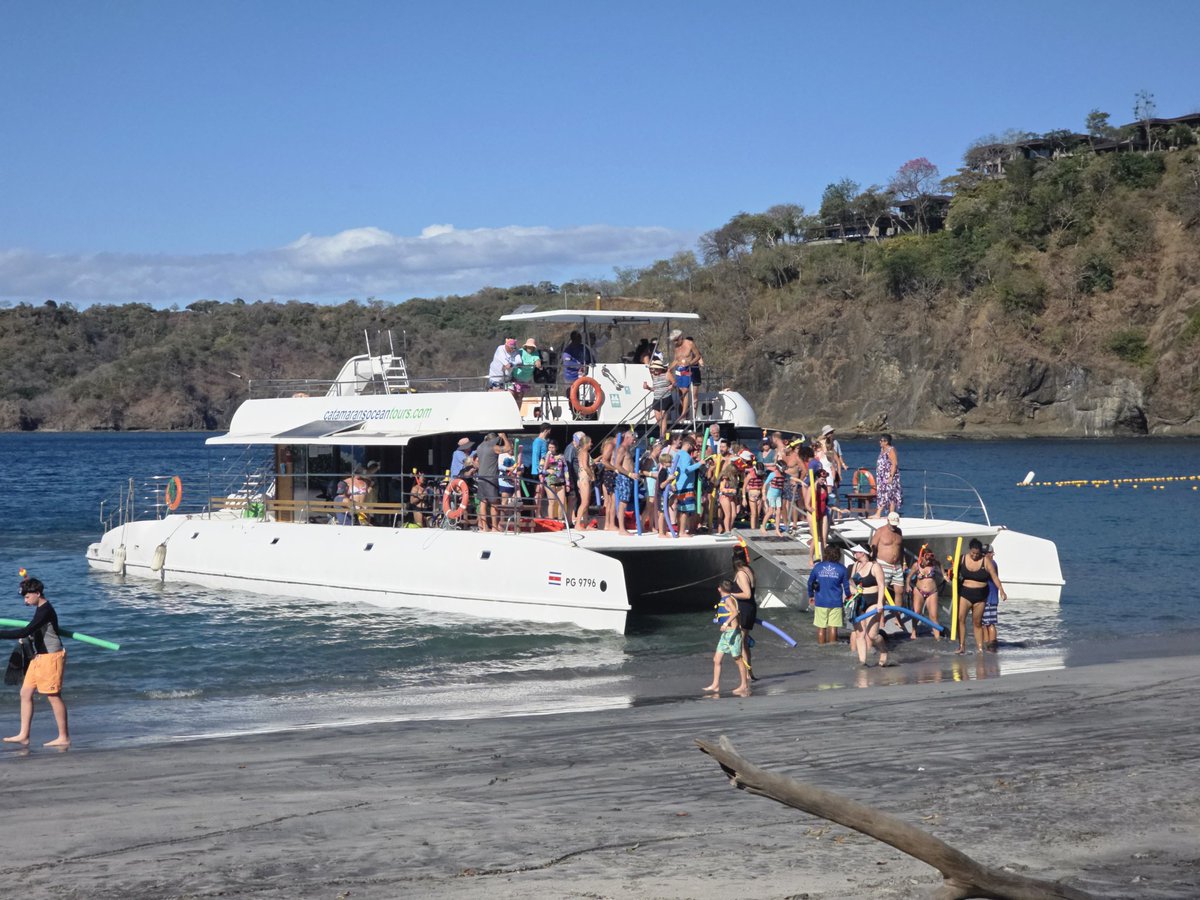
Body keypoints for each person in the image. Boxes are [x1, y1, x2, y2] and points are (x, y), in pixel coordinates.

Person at [0, 576, 70, 747]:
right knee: (25, 693)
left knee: (53, 696)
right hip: (39, 657)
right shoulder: (40, 609)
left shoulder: (45, 610)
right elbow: (34, 631)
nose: (25, 600)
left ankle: (64, 737)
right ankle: (24, 735)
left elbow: (26, 630)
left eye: (27, 596)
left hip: (51, 657)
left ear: (37, 593)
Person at [957, 539, 1006, 655]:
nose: (974, 556)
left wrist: (1002, 590)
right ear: (970, 550)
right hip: (965, 595)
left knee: (978, 623)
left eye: (977, 554)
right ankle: (961, 646)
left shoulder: (986, 561)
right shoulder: (962, 558)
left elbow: (994, 577)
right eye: (972, 553)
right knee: (961, 619)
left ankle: (979, 648)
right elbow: (952, 571)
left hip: (980, 596)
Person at [702, 580, 750, 696]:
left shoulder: (728, 599)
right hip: (725, 635)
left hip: (733, 633)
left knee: (738, 659)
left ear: (720, 589)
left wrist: (725, 623)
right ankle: (715, 684)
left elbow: (735, 612)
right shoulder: (725, 599)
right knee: (716, 659)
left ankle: (744, 685)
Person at [869, 511, 911, 636]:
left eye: (895, 524)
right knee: (882, 591)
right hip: (883, 564)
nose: (894, 526)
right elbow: (873, 546)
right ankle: (881, 617)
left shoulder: (899, 532)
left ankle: (897, 617)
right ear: (887, 520)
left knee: (899, 591)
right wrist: (871, 562)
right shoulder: (880, 531)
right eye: (892, 524)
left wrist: (904, 563)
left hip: (897, 565)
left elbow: (900, 548)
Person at [848, 546, 889, 666]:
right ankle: (862, 661)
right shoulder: (855, 565)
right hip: (859, 600)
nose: (854, 553)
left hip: (873, 600)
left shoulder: (874, 566)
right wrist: (852, 591)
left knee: (872, 635)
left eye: (857, 551)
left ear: (863, 553)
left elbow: (881, 585)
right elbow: (851, 581)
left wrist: (880, 603)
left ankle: (883, 651)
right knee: (860, 634)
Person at [807, 545, 850, 645]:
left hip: (821, 601)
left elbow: (810, 583)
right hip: (836, 602)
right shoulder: (842, 569)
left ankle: (821, 647)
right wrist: (849, 597)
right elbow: (846, 587)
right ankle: (832, 646)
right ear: (838, 555)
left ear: (825, 554)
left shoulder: (818, 567)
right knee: (833, 627)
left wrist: (811, 595)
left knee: (821, 627)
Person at [474, 432, 511, 532]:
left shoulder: (479, 447)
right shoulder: (493, 447)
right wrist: (504, 437)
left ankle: (484, 527)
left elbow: (476, 462)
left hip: (481, 478)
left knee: (483, 503)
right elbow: (508, 448)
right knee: (494, 503)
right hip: (490, 479)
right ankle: (494, 527)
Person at [731, 550, 758, 678]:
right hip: (749, 608)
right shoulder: (749, 569)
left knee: (741, 643)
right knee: (744, 642)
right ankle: (749, 673)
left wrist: (730, 595)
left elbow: (747, 594)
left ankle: (747, 674)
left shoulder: (741, 573)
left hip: (744, 609)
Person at [908, 546, 944, 640]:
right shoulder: (916, 565)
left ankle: (937, 636)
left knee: (933, 615)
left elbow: (940, 564)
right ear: (922, 557)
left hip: (932, 592)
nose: (928, 561)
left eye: (930, 559)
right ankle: (914, 632)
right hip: (919, 591)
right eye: (926, 559)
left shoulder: (934, 564)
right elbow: (908, 577)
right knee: (916, 613)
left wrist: (944, 575)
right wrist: (907, 585)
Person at [670, 329, 702, 420]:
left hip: (688, 368)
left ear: (681, 337)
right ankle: (685, 412)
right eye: (674, 341)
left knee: (685, 390)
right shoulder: (676, 347)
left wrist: (690, 363)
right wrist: (669, 368)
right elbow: (676, 360)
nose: (675, 342)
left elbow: (698, 356)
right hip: (678, 370)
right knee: (680, 391)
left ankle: (684, 413)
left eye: (676, 340)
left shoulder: (689, 343)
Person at [642, 359, 676, 441]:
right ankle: (663, 432)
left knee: (663, 416)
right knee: (658, 418)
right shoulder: (653, 376)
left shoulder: (667, 374)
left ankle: (662, 436)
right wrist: (648, 388)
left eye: (656, 369)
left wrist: (672, 386)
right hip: (657, 397)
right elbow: (655, 389)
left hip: (666, 397)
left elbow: (674, 382)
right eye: (654, 369)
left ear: (661, 369)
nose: (655, 371)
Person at [541, 439, 570, 521]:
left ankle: (560, 519)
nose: (551, 449)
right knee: (552, 502)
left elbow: (566, 470)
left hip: (560, 481)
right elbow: (540, 470)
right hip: (549, 481)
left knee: (562, 502)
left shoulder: (561, 457)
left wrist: (567, 483)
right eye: (549, 447)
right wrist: (547, 471)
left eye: (552, 447)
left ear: (556, 447)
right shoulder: (544, 457)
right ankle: (551, 520)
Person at [874, 433, 902, 516]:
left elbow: (894, 463)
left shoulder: (891, 450)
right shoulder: (882, 450)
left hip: (889, 476)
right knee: (884, 494)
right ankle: (889, 514)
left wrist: (891, 476)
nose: (880, 442)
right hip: (881, 477)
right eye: (880, 440)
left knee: (890, 494)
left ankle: (882, 513)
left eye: (881, 441)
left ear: (886, 442)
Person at [509, 338, 542, 406]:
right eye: (529, 346)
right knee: (512, 396)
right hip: (515, 378)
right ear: (526, 346)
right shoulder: (520, 351)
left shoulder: (535, 353)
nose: (530, 348)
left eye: (532, 347)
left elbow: (537, 360)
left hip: (526, 380)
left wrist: (538, 363)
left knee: (520, 397)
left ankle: (518, 414)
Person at [982, 545, 1002, 651]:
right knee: (984, 623)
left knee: (990, 623)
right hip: (985, 597)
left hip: (990, 597)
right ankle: (987, 644)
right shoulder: (987, 563)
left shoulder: (992, 564)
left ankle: (992, 645)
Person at [573, 435, 595, 529]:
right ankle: (578, 524)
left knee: (586, 501)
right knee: (585, 502)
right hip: (585, 478)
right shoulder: (585, 452)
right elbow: (586, 466)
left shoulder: (580, 452)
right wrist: (592, 476)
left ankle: (585, 523)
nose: (591, 444)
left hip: (582, 478)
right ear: (586, 443)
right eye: (590, 442)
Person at [820, 425, 846, 491]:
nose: (831, 434)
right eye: (829, 433)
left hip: (834, 468)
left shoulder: (835, 442)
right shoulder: (822, 443)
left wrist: (843, 465)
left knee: (834, 490)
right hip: (825, 470)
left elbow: (839, 456)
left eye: (832, 432)